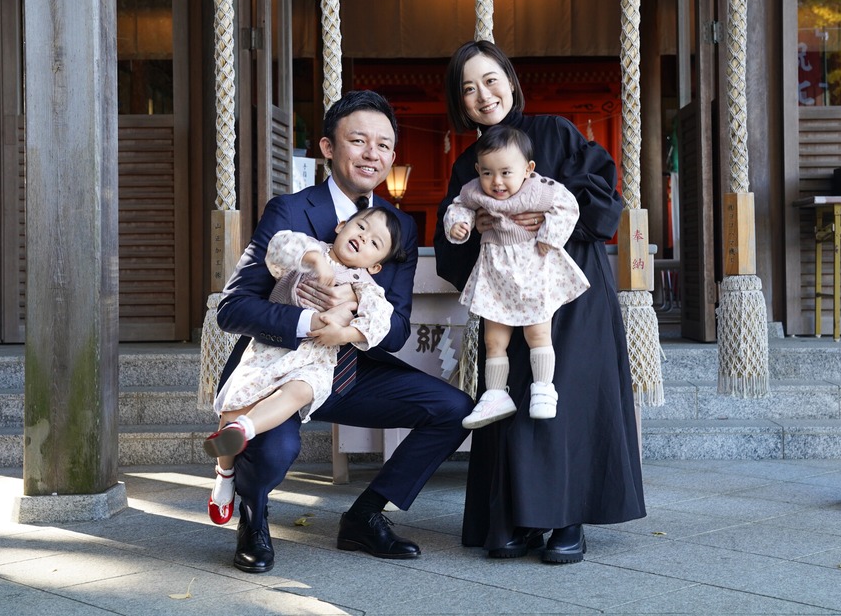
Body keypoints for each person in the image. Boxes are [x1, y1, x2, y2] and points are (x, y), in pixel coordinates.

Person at [217, 90, 474, 574]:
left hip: (351, 370)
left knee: (452, 409)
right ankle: (253, 517)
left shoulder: (397, 226)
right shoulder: (289, 212)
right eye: (358, 140)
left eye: (383, 145)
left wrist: (355, 317)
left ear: (393, 156)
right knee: (276, 447)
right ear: (329, 147)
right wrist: (308, 322)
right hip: (280, 367)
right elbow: (232, 308)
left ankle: (365, 516)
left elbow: (396, 328)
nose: (372, 153)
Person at [434, 41, 646, 565]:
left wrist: (543, 197)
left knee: (562, 399)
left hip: (570, 288)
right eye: (468, 89)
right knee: (509, 399)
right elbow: (451, 237)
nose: (482, 96)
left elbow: (605, 196)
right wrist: (472, 227)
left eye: (490, 80)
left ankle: (566, 520)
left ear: (509, 79)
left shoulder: (553, 131)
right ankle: (511, 521)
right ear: (460, 104)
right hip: (506, 294)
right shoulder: (468, 163)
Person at [205, 206, 406, 526]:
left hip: (315, 358)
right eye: (362, 228)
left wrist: (345, 332)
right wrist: (314, 259)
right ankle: (224, 474)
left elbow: (381, 320)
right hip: (271, 348)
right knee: (234, 404)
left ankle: (245, 429)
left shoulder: (364, 286)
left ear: (376, 265)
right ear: (341, 226)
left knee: (300, 391)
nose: (363, 238)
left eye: (374, 243)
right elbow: (280, 245)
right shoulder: (309, 246)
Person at [444, 125, 589, 428]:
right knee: (494, 339)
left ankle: (544, 389)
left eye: (506, 173)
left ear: (528, 169)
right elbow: (458, 207)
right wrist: (458, 225)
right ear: (478, 170)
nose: (496, 182)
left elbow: (567, 205)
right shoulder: (473, 191)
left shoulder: (539, 189)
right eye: (487, 173)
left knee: (537, 334)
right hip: (496, 273)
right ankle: (495, 394)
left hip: (532, 268)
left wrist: (551, 234)